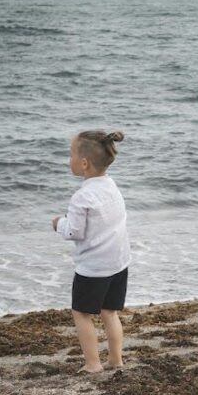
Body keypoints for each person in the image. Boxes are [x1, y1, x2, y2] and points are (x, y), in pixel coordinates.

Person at [53, 130, 130, 374]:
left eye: (71, 155)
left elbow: (74, 232)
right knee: (110, 312)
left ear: (83, 163)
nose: (69, 159)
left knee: (82, 313)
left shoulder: (82, 196)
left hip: (94, 267)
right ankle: (116, 360)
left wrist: (59, 224)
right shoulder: (111, 185)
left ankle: (93, 364)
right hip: (118, 262)